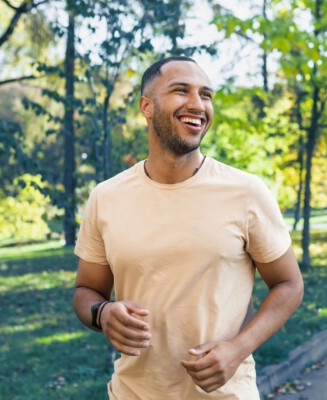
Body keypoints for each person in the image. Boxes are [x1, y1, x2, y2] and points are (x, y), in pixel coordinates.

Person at [72, 56, 304, 399]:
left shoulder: (246, 192)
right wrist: (102, 313)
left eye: (206, 95)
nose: (197, 105)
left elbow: (289, 285)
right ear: (146, 106)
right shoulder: (106, 197)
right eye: (182, 91)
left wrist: (237, 349)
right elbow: (85, 291)